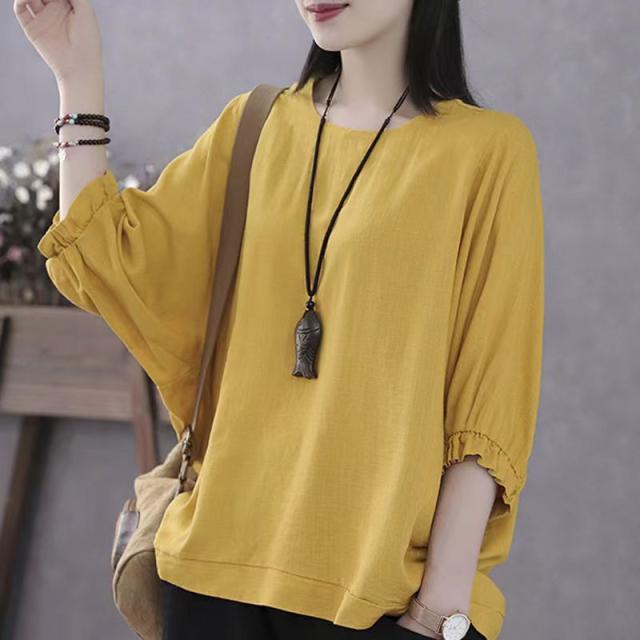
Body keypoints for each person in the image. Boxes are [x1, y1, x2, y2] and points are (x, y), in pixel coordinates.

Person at [15, 1, 545, 639]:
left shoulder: (487, 153)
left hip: (376, 602)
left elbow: (486, 407)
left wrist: (439, 612)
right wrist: (76, 74)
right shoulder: (257, 126)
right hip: (210, 582)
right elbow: (104, 255)